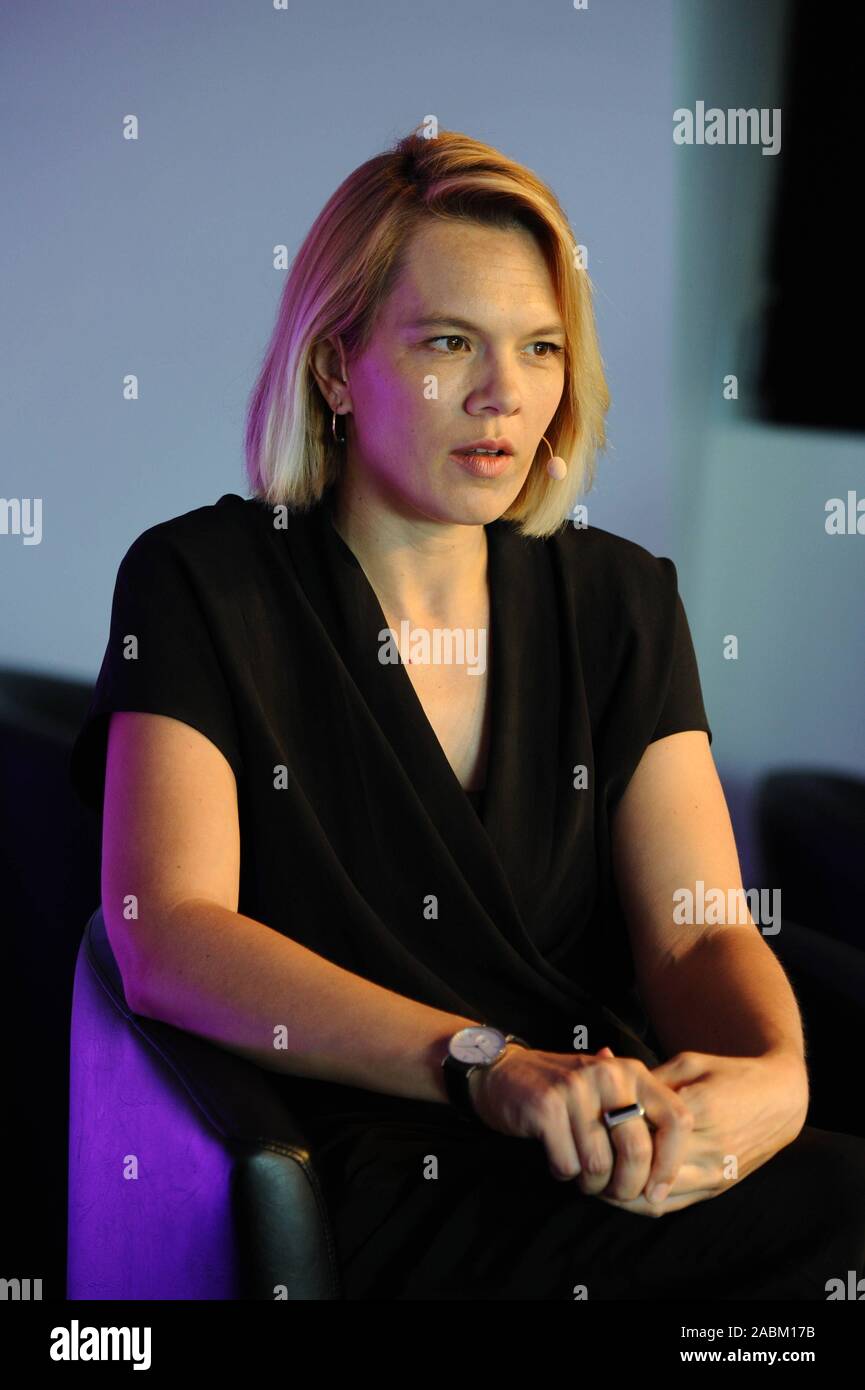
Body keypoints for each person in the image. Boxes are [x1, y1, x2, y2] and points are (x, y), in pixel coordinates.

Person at [69, 126, 865, 1300]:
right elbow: (167, 932)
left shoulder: (619, 598)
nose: (505, 394)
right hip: (379, 1164)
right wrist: (483, 1062)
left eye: (540, 347)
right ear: (336, 367)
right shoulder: (203, 580)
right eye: (450, 342)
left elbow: (697, 929)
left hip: (608, 1138)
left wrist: (775, 1076)